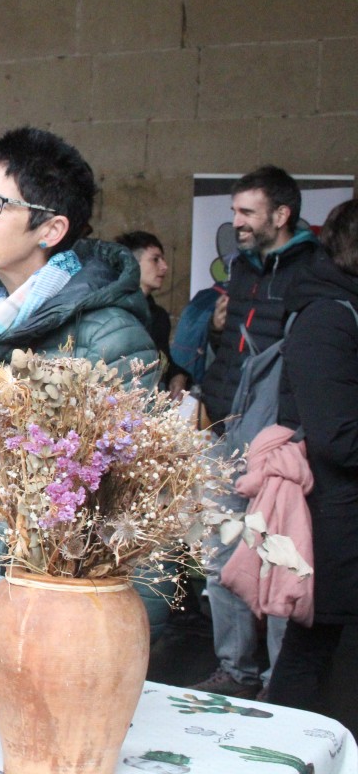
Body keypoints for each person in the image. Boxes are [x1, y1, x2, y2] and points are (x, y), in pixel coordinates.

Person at [0, 127, 162, 624]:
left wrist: (122, 630)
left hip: (58, 600)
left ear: (50, 230)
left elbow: (135, 503)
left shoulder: (108, 337)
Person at [192, 165, 318, 700]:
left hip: (279, 443)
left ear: (281, 215)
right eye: (234, 211)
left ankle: (276, 681)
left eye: (247, 212)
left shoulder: (313, 270)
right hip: (226, 431)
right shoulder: (240, 270)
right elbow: (229, 348)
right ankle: (235, 669)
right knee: (220, 555)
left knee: (278, 556)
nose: (236, 222)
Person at [267, 198, 358, 716]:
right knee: (313, 665)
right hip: (334, 526)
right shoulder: (328, 316)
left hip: (341, 522)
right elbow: (338, 437)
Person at [115, 230, 190, 396]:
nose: (164, 266)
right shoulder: (112, 311)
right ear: (132, 263)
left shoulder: (159, 316)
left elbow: (162, 360)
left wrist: (177, 374)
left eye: (163, 259)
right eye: (155, 259)